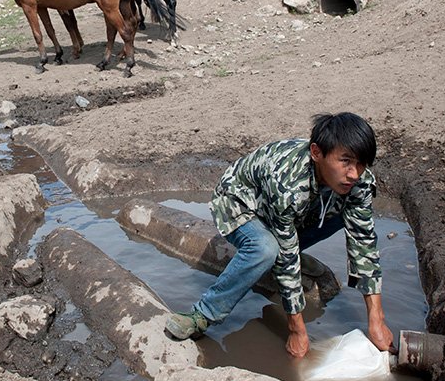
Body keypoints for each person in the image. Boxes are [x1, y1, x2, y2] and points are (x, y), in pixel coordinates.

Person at [164, 112, 394, 358]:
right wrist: (296, 329)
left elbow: (363, 242)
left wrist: (376, 318)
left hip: (286, 210)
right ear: (317, 153)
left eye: (361, 164)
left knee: (345, 214)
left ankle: (292, 252)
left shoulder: (359, 183)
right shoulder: (287, 183)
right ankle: (203, 314)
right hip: (240, 202)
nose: (354, 174)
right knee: (265, 249)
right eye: (346, 161)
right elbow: (285, 256)